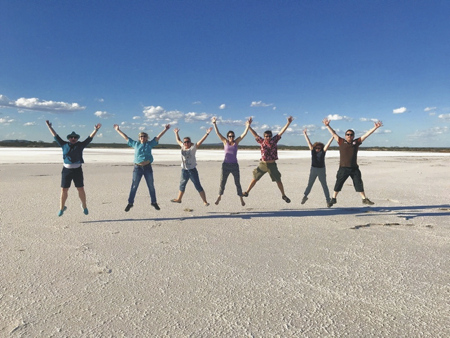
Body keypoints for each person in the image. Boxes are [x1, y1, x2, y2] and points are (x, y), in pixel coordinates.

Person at [45, 120, 101, 216]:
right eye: (71, 137)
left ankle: (84, 205)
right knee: (64, 189)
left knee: (80, 189)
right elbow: (55, 136)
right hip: (66, 170)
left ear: (77, 139)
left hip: (77, 170)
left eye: (75, 137)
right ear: (69, 138)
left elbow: (89, 138)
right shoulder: (64, 145)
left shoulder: (80, 145)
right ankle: (61, 208)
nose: (73, 138)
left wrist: (95, 130)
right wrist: (50, 127)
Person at [322, 118, 383, 205]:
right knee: (339, 183)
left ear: (353, 136)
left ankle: (364, 199)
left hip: (354, 168)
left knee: (358, 183)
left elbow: (366, 135)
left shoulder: (356, 142)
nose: (349, 136)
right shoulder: (341, 141)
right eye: (348, 134)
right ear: (345, 135)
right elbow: (333, 133)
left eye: (351, 135)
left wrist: (375, 128)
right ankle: (333, 198)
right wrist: (327, 125)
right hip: (343, 168)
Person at [114, 124, 170, 212]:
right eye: (141, 136)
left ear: (146, 138)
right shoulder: (135, 144)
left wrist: (165, 129)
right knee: (134, 186)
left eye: (144, 136)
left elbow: (158, 137)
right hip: (138, 168)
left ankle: (154, 202)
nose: (142, 138)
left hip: (147, 168)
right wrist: (118, 130)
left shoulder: (149, 144)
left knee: (151, 185)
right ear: (139, 138)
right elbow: (126, 138)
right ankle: (130, 203)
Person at [243, 116, 294, 203]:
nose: (268, 137)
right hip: (263, 164)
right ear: (264, 136)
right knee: (255, 178)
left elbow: (281, 132)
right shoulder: (261, 141)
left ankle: (283, 195)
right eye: (266, 136)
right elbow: (254, 134)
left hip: (272, 165)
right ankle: (247, 192)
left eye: (269, 136)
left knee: (278, 180)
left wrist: (288, 123)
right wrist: (249, 126)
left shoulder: (274, 140)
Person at [211, 116, 252, 206]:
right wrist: (214, 124)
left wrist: (248, 126)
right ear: (227, 137)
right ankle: (219, 196)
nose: (231, 137)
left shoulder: (236, 142)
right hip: (225, 165)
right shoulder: (225, 142)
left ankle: (241, 199)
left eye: (232, 136)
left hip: (234, 165)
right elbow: (218, 133)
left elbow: (243, 134)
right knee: (222, 181)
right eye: (230, 136)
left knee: (237, 183)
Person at [171, 127, 213, 206]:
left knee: (198, 185)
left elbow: (201, 141)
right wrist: (176, 133)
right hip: (184, 170)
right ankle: (179, 199)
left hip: (192, 170)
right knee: (182, 185)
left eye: (188, 142)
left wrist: (207, 133)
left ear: (190, 142)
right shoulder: (182, 146)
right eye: (185, 142)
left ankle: (205, 201)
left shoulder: (193, 148)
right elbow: (178, 140)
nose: (186, 143)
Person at [301, 128, 334, 207]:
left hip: (321, 170)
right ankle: (305, 196)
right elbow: (309, 143)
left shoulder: (323, 152)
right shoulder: (313, 151)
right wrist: (305, 134)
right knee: (310, 184)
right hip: (313, 169)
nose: (317, 149)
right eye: (316, 148)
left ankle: (328, 201)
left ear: (321, 148)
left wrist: (333, 137)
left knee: (324, 185)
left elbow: (328, 145)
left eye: (319, 148)